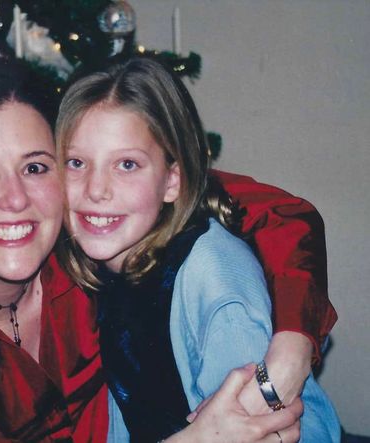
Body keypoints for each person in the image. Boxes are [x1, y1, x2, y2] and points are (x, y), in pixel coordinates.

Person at [0, 56, 324, 442]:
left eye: (35, 167)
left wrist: (293, 343)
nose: (15, 200)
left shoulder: (93, 238)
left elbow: (276, 214)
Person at [55, 57, 340, 443]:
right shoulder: (113, 270)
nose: (95, 189)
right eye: (76, 162)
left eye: (126, 164)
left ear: (172, 180)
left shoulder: (211, 278)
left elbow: (270, 430)